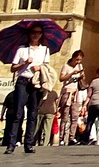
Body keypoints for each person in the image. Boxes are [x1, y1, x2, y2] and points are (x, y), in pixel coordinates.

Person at [6, 23, 50, 153]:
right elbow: (12, 68)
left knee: (33, 114)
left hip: (36, 83)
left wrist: (39, 67)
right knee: (18, 113)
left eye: (39, 32)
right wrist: (24, 63)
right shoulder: (22, 49)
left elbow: (47, 67)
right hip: (23, 82)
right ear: (29, 34)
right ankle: (11, 144)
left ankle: (29, 144)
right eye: (33, 32)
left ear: (42, 35)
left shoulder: (45, 50)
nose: (36, 34)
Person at [57, 50, 85, 145]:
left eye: (80, 60)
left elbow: (82, 78)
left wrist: (81, 76)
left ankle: (71, 138)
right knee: (65, 116)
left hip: (76, 93)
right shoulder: (66, 66)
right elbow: (61, 79)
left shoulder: (80, 66)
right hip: (67, 92)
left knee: (74, 117)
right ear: (73, 58)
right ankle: (61, 137)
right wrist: (72, 73)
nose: (78, 62)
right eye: (77, 59)